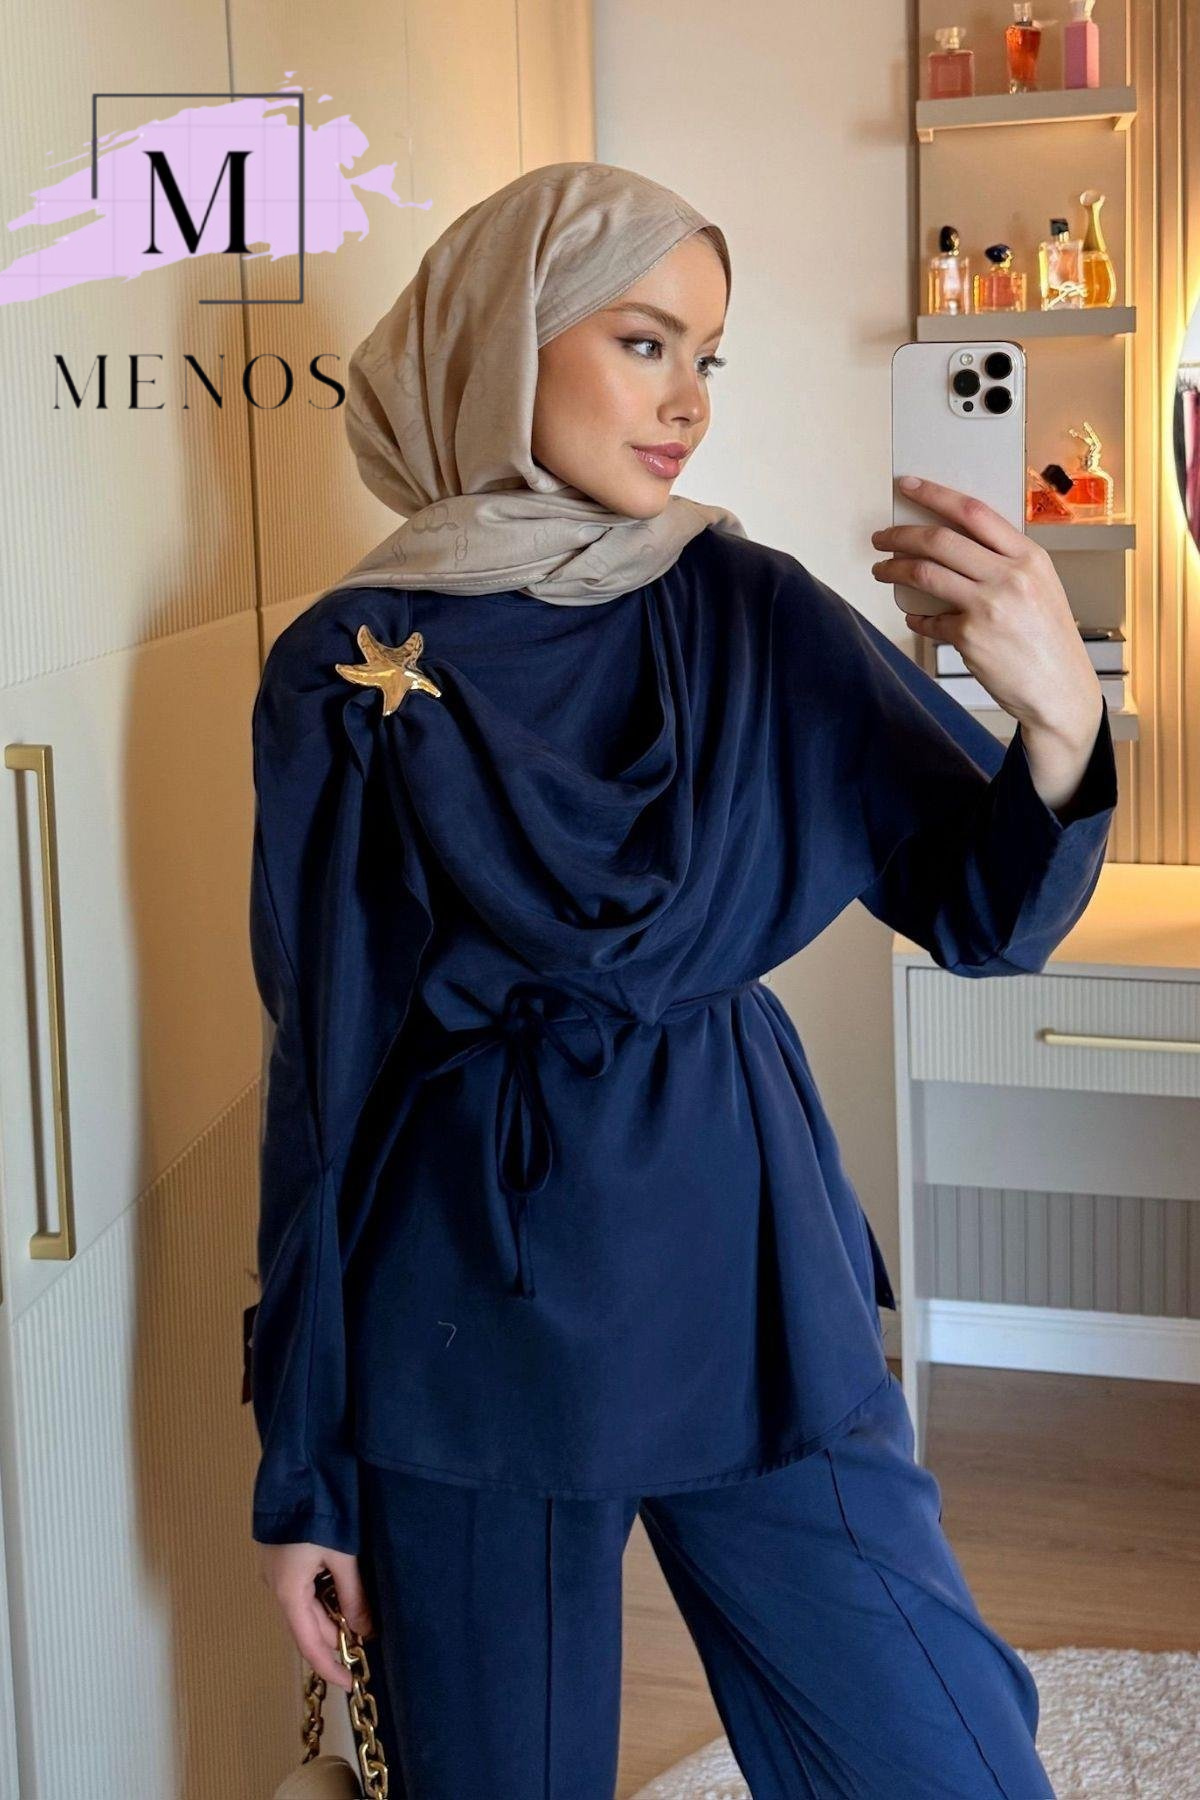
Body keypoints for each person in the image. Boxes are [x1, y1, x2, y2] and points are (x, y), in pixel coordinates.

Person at [247, 161, 1116, 1797]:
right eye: (645, 342)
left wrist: (1059, 716)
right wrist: (303, 1469)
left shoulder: (749, 610)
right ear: (499, 342)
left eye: (708, 357)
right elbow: (325, 1077)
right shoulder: (347, 664)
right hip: (466, 1307)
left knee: (946, 1760)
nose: (689, 402)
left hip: (743, 1256)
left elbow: (983, 914)